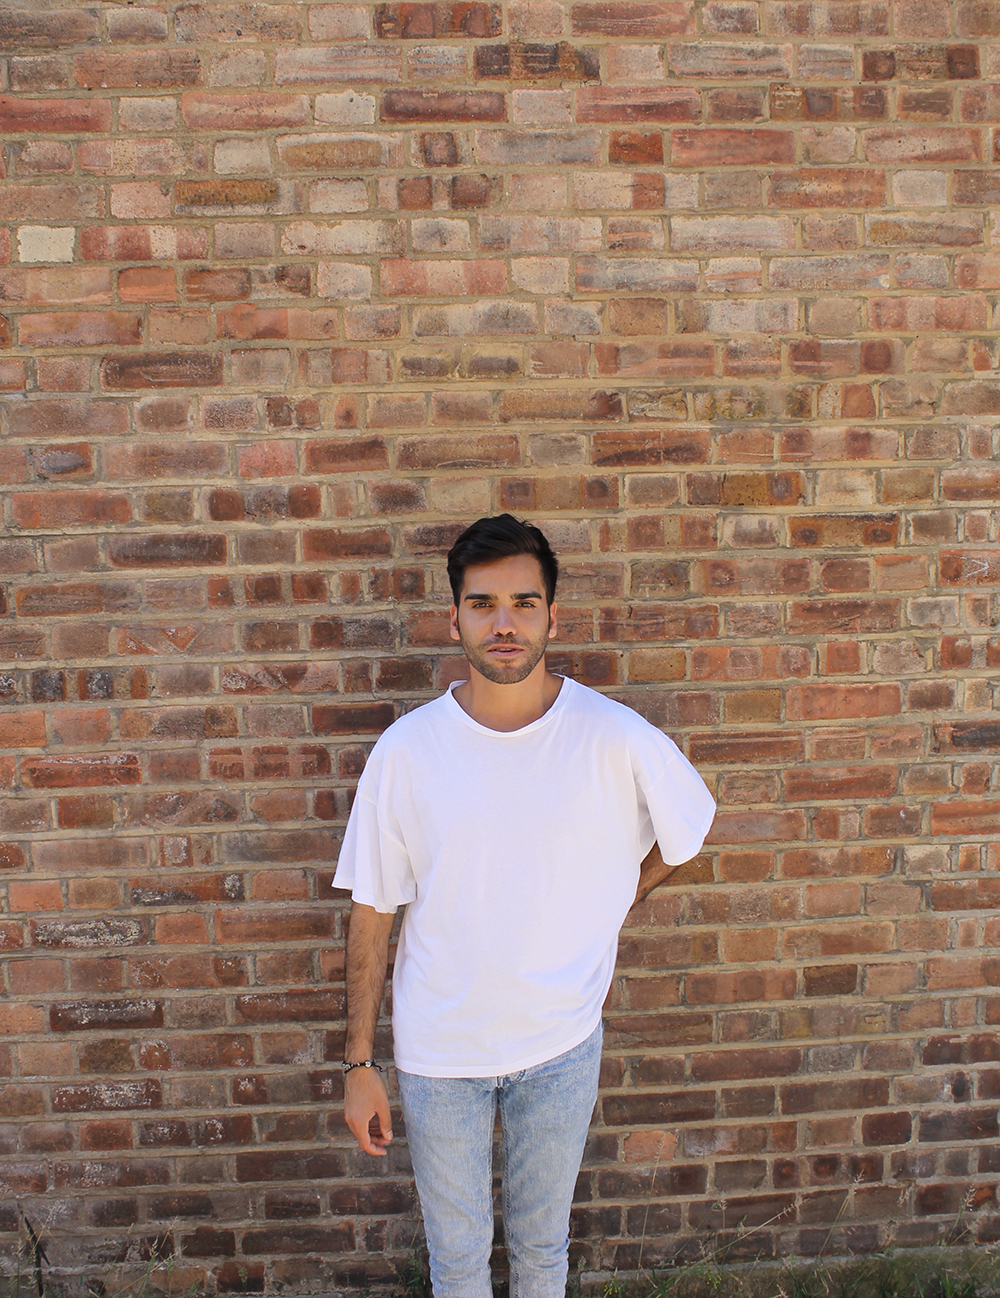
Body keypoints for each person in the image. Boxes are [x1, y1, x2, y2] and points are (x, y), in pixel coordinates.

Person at [334, 514, 716, 1298]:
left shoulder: (613, 737)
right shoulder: (406, 752)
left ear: (552, 616)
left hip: (561, 1042)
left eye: (522, 603)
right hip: (440, 1054)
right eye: (482, 605)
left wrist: (613, 900)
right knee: (459, 1264)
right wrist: (359, 1064)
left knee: (544, 1255)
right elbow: (374, 910)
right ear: (454, 619)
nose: (503, 623)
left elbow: (686, 834)